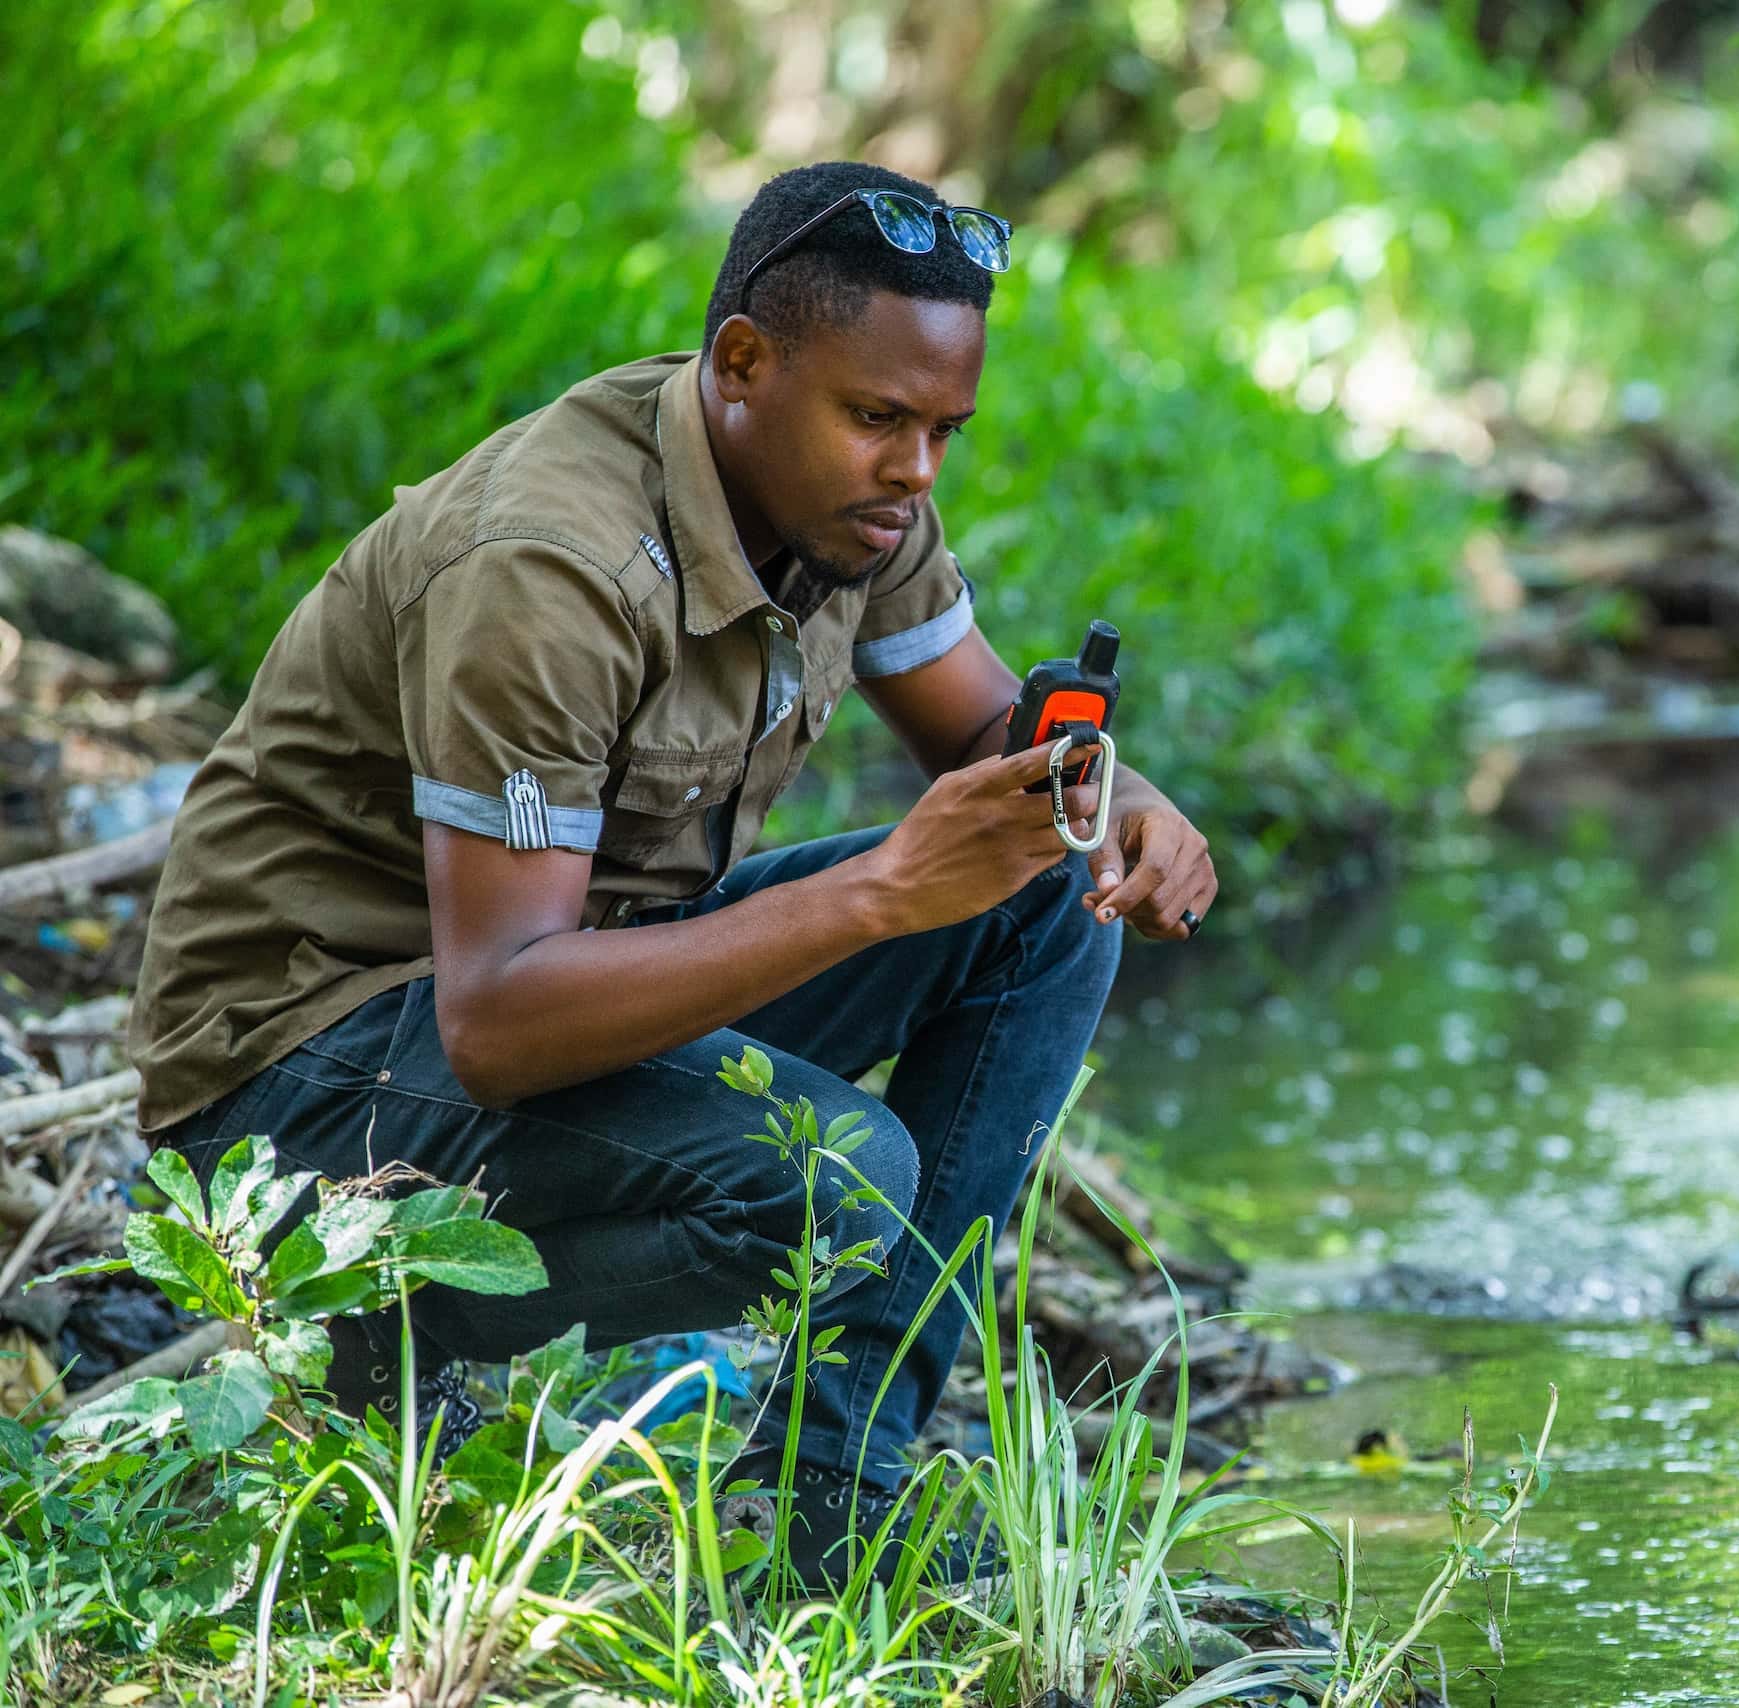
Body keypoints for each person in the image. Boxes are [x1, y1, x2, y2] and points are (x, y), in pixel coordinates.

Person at [125, 159, 1217, 1578]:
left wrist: (1121, 800)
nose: (916, 469)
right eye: (881, 419)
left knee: (1045, 903)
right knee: (840, 1172)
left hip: (564, 994)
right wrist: (880, 890)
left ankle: (835, 1486)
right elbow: (502, 1023)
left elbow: (988, 723)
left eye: (945, 428)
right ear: (743, 363)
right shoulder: (547, 567)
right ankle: (379, 1328)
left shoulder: (846, 497)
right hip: (300, 1081)